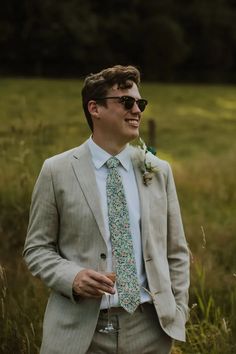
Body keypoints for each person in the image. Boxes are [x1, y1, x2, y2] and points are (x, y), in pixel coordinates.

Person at [23, 65, 190, 354]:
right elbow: (37, 249)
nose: (137, 109)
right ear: (95, 108)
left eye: (140, 103)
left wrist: (179, 311)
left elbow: (176, 251)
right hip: (79, 333)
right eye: (126, 102)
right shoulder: (56, 170)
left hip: (150, 329)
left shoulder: (158, 170)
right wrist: (72, 277)